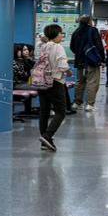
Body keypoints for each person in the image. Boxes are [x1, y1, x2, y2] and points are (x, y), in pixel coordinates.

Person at [32, 24, 71, 152]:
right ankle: (47, 136)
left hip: (41, 82)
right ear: (56, 34)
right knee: (60, 112)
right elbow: (63, 66)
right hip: (55, 82)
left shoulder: (41, 46)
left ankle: (44, 142)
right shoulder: (58, 47)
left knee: (44, 111)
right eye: (60, 33)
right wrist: (69, 71)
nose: (62, 36)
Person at [69, 15, 104, 112]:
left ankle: (77, 103)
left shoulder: (76, 32)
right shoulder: (93, 30)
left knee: (80, 82)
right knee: (92, 82)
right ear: (89, 21)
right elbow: (99, 45)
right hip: (91, 61)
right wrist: (102, 59)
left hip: (79, 61)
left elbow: (72, 47)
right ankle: (90, 104)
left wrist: (79, 54)